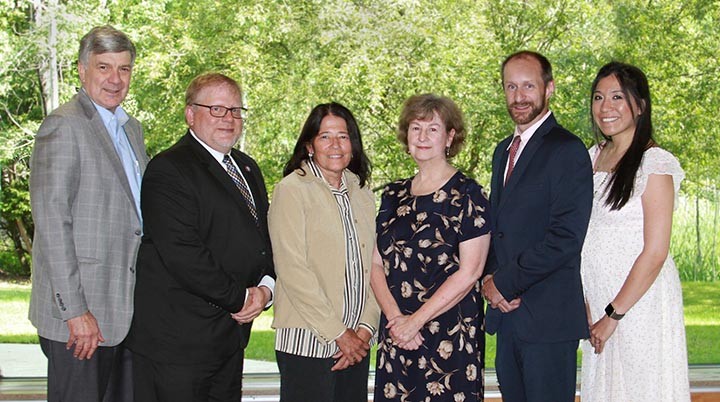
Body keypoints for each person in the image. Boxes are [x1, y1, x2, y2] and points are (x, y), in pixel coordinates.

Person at [124, 73, 275, 402]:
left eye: (235, 110)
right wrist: (240, 298)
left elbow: (266, 240)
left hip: (229, 339)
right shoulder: (168, 169)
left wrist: (267, 289)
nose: (229, 119)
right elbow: (183, 254)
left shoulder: (247, 168)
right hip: (178, 345)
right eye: (217, 109)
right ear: (190, 114)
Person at [29, 25, 147, 402]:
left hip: (125, 314)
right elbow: (51, 224)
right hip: (80, 320)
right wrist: (75, 311)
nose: (115, 79)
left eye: (124, 68)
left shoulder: (133, 130)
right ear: (82, 70)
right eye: (104, 67)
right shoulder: (64, 125)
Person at [481, 51, 593, 402]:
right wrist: (489, 278)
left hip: (548, 320)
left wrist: (504, 282)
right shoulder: (503, 151)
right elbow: (498, 226)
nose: (519, 96)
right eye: (511, 87)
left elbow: (566, 238)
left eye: (528, 86)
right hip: (507, 316)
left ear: (549, 88)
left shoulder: (568, 150)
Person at [580, 62, 690, 402]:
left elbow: (656, 251)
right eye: (599, 97)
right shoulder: (589, 158)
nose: (606, 107)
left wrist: (614, 314)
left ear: (639, 106)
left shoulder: (655, 163)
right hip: (596, 298)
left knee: (642, 388)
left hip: (638, 303)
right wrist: (586, 303)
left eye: (617, 97)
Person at [372, 94, 492, 402]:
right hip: (397, 335)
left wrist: (415, 321)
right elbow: (374, 264)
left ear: (450, 136)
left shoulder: (469, 194)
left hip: (448, 338)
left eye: (433, 129)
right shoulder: (392, 196)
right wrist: (397, 321)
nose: (423, 137)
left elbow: (470, 272)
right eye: (416, 128)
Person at [269, 102, 380, 402]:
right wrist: (339, 335)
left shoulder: (362, 193)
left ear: (353, 145)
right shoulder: (291, 190)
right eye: (325, 136)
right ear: (309, 145)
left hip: (357, 344)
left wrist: (364, 331)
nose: (335, 145)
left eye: (343, 136)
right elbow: (292, 270)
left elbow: (374, 267)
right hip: (308, 343)